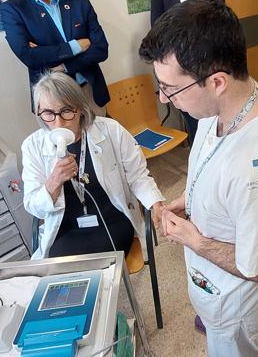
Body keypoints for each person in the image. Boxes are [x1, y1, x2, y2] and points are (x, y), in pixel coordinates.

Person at [139, 0, 258, 357]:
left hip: (236, 301)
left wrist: (194, 240)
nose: (165, 99)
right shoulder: (228, 102)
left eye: (171, 89)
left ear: (216, 81)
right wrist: (188, 197)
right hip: (211, 284)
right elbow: (211, 165)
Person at [21, 72, 165, 259]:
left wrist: (156, 204)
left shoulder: (111, 130)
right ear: (39, 112)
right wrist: (53, 182)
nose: (58, 122)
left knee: (95, 264)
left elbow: (137, 176)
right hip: (66, 228)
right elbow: (34, 206)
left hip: (111, 219)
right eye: (48, 113)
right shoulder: (32, 146)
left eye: (66, 110)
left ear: (80, 108)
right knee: (63, 268)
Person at [0, 0, 109, 115]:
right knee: (66, 141)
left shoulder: (80, 3)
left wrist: (64, 65)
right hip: (52, 96)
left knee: (102, 138)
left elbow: (101, 49)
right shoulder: (13, 10)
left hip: (89, 89)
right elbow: (28, 56)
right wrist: (77, 46)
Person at [150, 0, 225, 146]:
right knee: (196, 129)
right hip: (183, 74)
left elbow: (223, 22)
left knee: (220, 122)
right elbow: (157, 34)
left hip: (214, 68)